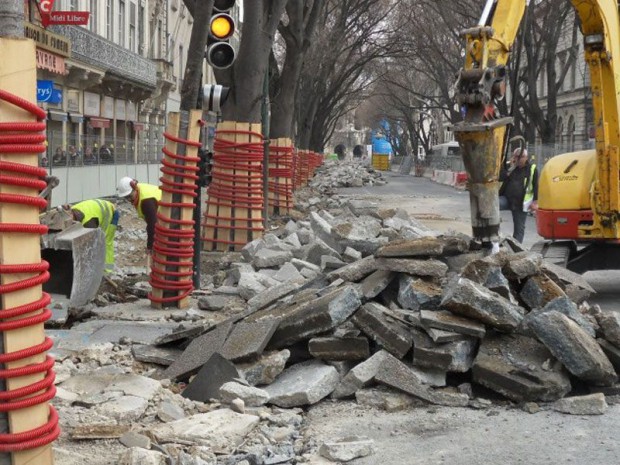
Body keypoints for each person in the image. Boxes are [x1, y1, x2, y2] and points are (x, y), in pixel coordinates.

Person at [64, 199, 119, 274]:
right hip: (100, 211)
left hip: (112, 213)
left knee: (107, 242)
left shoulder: (89, 222)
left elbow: (92, 244)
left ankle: (108, 270)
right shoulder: (73, 210)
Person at [499, 147, 538, 243]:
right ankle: (494, 234)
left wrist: (535, 202)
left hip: (521, 203)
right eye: (517, 157)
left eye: (522, 157)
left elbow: (536, 185)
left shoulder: (532, 169)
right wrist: (511, 167)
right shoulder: (510, 166)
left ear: (526, 158)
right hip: (507, 199)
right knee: (493, 205)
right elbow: (500, 177)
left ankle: (516, 248)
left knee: (519, 229)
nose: (519, 159)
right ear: (513, 157)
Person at [116, 177, 161, 258]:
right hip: (162, 218)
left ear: (135, 189)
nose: (129, 200)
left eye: (129, 196)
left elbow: (152, 225)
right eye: (126, 198)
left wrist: (150, 246)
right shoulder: (139, 191)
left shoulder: (146, 201)